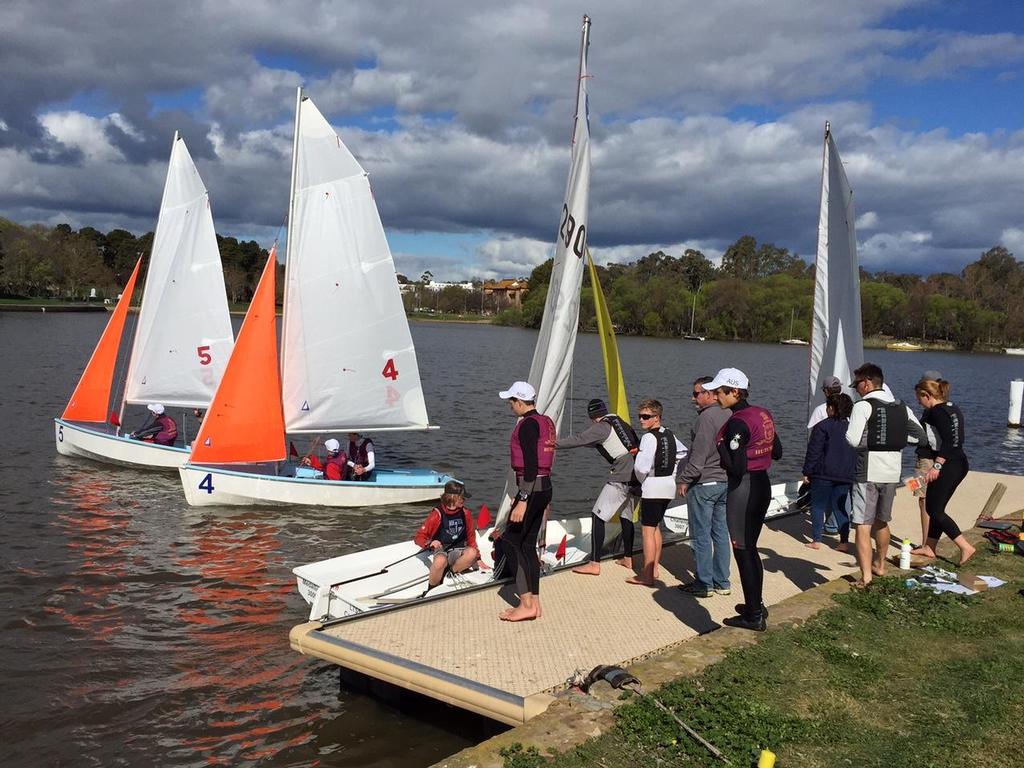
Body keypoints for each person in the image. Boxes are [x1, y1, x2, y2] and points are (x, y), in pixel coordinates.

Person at [705, 368, 782, 631]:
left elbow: (735, 468)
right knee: (750, 548)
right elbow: (779, 451)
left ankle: (753, 616)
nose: (715, 396)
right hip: (762, 484)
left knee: (743, 550)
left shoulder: (737, 422)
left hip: (744, 488)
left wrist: (720, 446)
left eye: (719, 391)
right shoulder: (762, 413)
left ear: (734, 392)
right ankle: (755, 605)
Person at [845, 363, 926, 588]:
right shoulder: (902, 407)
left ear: (868, 383)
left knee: (862, 523)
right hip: (892, 471)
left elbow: (852, 440)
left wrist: (872, 440)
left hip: (867, 471)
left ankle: (866, 577)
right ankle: (880, 564)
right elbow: (919, 437)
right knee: (882, 520)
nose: (856, 389)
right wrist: (895, 440)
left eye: (857, 385)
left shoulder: (862, 406)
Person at [554, 398, 640, 575]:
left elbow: (579, 439)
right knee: (626, 517)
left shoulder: (600, 427)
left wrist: (553, 445)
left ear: (592, 417)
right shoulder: (619, 422)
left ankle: (594, 563)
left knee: (597, 516)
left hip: (621, 477)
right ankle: (628, 558)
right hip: (637, 476)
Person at [498, 381, 554, 622]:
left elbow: (531, 464)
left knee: (511, 541)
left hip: (531, 489)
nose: (510, 406)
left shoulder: (528, 425)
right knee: (528, 545)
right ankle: (535, 603)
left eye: (512, 401)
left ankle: (525, 603)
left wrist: (522, 499)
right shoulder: (544, 421)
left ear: (520, 402)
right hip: (544, 488)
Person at [676, 376, 732, 598]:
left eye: (697, 393)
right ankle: (723, 582)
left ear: (710, 394)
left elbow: (698, 456)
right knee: (720, 532)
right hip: (725, 482)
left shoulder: (705, 419)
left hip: (704, 484)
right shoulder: (729, 413)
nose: (693, 398)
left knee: (700, 535)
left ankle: (703, 583)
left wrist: (684, 479)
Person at [910, 377, 975, 564]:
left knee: (934, 509)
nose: (918, 402)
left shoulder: (935, 412)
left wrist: (937, 466)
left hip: (950, 464)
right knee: (935, 506)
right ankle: (929, 547)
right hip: (959, 462)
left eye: (919, 398)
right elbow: (957, 439)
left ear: (927, 395)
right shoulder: (952, 407)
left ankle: (965, 547)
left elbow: (950, 441)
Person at [626, 399, 686, 587]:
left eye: (646, 417)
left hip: (653, 486)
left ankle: (647, 575)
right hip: (668, 486)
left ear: (656, 417)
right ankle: (655, 568)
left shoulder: (648, 438)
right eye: (640, 416)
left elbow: (641, 467)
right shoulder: (669, 434)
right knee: (656, 527)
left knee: (647, 531)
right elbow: (684, 453)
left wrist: (643, 480)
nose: (641, 420)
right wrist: (673, 470)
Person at [802, 393, 856, 551]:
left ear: (831, 408)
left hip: (823, 473)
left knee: (818, 506)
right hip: (845, 474)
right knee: (840, 506)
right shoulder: (852, 427)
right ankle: (844, 541)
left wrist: (807, 471)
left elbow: (814, 451)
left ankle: (816, 540)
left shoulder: (822, 426)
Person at [414, 480, 479, 588]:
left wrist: (479, 559)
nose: (465, 500)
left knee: (472, 553)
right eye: (462, 497)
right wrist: (429, 543)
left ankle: (450, 573)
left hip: (459, 550)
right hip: (442, 550)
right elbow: (419, 537)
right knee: (440, 561)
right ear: (453, 498)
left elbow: (471, 537)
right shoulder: (437, 514)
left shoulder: (466, 513)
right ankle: (432, 588)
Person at [911, 370, 944, 547]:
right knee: (929, 500)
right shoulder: (943, 408)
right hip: (936, 461)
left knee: (923, 500)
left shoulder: (931, 412)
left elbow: (928, 439)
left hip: (925, 461)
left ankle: (926, 543)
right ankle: (929, 542)